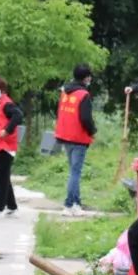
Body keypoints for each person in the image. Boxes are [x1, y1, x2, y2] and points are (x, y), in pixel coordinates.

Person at [54, 63, 97, 216]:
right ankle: (69, 205)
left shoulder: (65, 92)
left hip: (65, 136)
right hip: (78, 137)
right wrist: (93, 131)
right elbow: (85, 118)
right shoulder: (83, 95)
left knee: (73, 171)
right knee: (75, 172)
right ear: (86, 78)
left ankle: (76, 204)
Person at [0, 76, 24, 217]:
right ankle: (12, 205)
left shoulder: (6, 103)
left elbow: (18, 115)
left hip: (5, 146)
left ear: (2, 90)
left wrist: (7, 130)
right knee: (4, 177)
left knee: (0, 178)